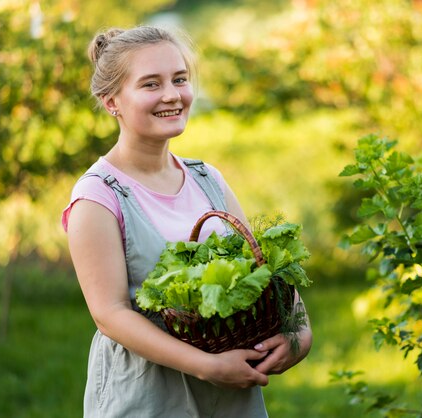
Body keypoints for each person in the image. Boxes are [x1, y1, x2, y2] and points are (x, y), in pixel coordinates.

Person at [62, 25, 312, 417]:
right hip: (148, 394)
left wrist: (299, 329)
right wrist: (206, 366)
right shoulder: (98, 197)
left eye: (180, 79)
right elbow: (110, 314)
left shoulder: (207, 178)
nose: (172, 95)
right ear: (112, 101)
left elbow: (263, 265)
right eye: (150, 84)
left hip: (230, 393)